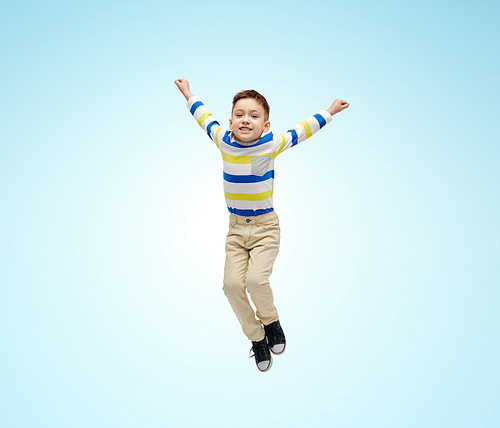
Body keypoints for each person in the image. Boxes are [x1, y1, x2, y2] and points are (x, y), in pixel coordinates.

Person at [174, 78, 349, 372]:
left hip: (265, 228)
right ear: (230, 122)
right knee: (231, 286)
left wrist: (330, 111)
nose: (246, 120)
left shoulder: (272, 143)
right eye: (240, 115)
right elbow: (203, 117)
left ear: (266, 125)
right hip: (235, 231)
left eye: (254, 116)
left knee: (256, 281)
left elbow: (302, 130)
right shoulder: (222, 139)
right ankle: (256, 337)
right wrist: (189, 94)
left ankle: (271, 322)